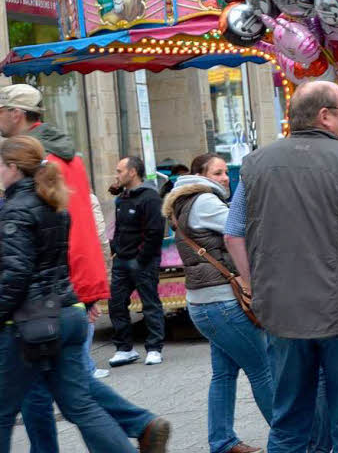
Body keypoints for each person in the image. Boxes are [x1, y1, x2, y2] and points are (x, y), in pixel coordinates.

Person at [223, 81, 338, 453]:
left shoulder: (255, 165)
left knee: (289, 421)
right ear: (325, 116)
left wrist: (255, 286)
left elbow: (233, 234)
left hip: (282, 313)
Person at [0, 88, 170, 452]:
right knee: (72, 394)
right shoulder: (62, 159)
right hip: (64, 295)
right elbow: (77, 229)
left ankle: (139, 424)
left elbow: (40, 252)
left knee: (37, 394)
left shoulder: (42, 165)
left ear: (16, 113)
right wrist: (85, 289)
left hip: (40, 307)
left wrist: (83, 288)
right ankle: (141, 424)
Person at [163, 153, 271, 453]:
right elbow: (244, 229)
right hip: (222, 302)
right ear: (201, 175)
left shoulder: (182, 202)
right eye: (218, 172)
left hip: (202, 303)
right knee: (263, 369)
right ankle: (292, 438)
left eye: (226, 172)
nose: (225, 178)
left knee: (224, 374)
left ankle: (222, 441)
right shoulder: (205, 201)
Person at [108, 155, 166, 367]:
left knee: (149, 304)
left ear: (132, 172)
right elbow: (119, 229)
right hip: (121, 261)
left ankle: (154, 348)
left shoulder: (150, 198)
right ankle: (124, 349)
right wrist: (115, 249)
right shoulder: (121, 198)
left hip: (142, 261)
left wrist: (142, 258)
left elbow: (155, 231)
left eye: (120, 171)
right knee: (116, 303)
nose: (117, 175)